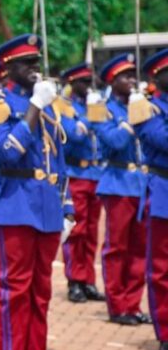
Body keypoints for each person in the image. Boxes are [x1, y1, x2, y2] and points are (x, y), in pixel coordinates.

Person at [0, 34, 72, 350]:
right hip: (15, 205)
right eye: (27, 64)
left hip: (47, 206)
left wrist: (68, 207)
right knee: (14, 292)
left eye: (37, 62)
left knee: (41, 294)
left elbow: (59, 158)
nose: (35, 69)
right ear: (8, 69)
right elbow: (6, 154)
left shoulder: (48, 104)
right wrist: (33, 107)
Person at [89, 53, 150, 326]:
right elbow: (111, 141)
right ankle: (117, 305)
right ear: (112, 81)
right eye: (126, 77)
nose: (132, 81)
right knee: (117, 248)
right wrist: (131, 123)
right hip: (117, 183)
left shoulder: (140, 104)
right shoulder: (101, 108)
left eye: (133, 76)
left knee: (139, 249)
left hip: (141, 185)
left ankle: (133, 304)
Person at [131, 48, 168, 350]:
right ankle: (166, 331)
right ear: (157, 77)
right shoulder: (147, 109)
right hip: (163, 190)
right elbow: (163, 141)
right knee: (162, 269)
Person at [58, 63, 105, 303]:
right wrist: (88, 118)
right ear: (72, 83)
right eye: (83, 82)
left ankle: (88, 279)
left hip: (94, 174)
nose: (88, 87)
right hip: (76, 173)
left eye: (90, 82)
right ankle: (74, 280)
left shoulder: (93, 106)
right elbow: (73, 136)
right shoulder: (65, 107)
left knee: (91, 233)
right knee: (76, 231)